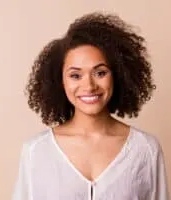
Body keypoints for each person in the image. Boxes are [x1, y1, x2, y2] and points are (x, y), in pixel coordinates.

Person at [12, 12, 170, 200]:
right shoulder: (36, 151)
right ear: (60, 81)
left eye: (100, 72)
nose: (89, 86)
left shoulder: (146, 150)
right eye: (75, 75)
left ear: (118, 74)